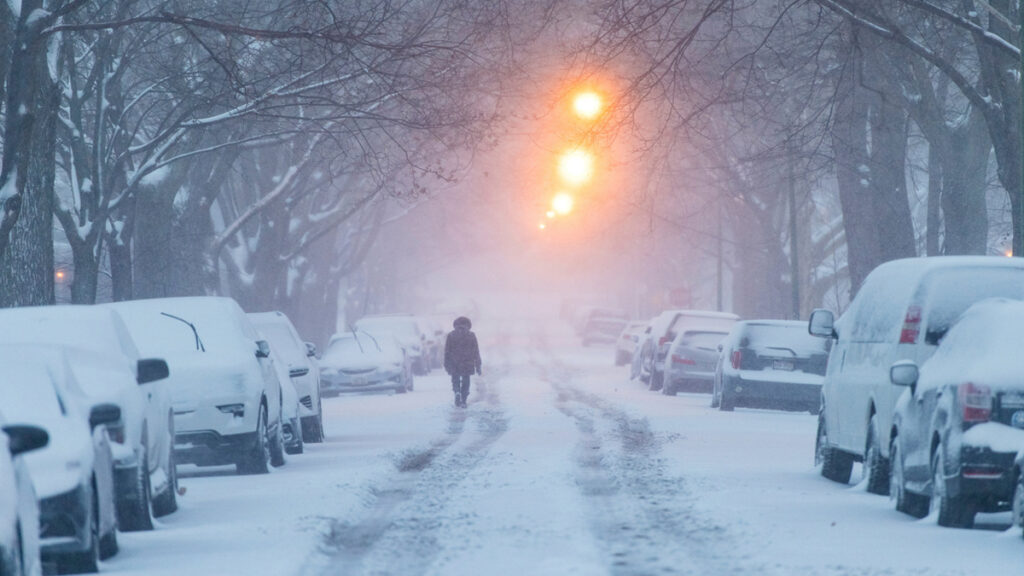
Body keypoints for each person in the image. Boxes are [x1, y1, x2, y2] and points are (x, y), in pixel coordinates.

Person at [444, 316, 481, 408]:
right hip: (467, 362)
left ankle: (456, 391)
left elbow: (447, 351)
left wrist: (446, 363)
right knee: (466, 380)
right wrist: (478, 365)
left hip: (454, 361)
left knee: (455, 379)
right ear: (468, 325)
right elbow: (476, 351)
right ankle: (463, 399)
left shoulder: (451, 335)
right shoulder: (471, 335)